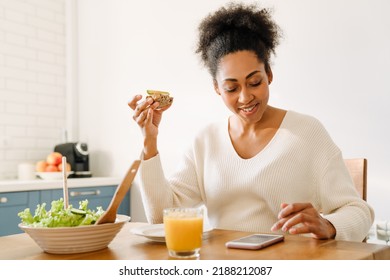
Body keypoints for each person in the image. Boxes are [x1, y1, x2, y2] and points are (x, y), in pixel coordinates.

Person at [128, 2, 374, 241]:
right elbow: (162, 220)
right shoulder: (205, 142)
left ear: (269, 74)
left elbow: (358, 212)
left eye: (254, 82)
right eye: (231, 88)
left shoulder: (306, 133)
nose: (245, 97)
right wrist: (150, 142)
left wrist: (328, 224)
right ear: (216, 88)